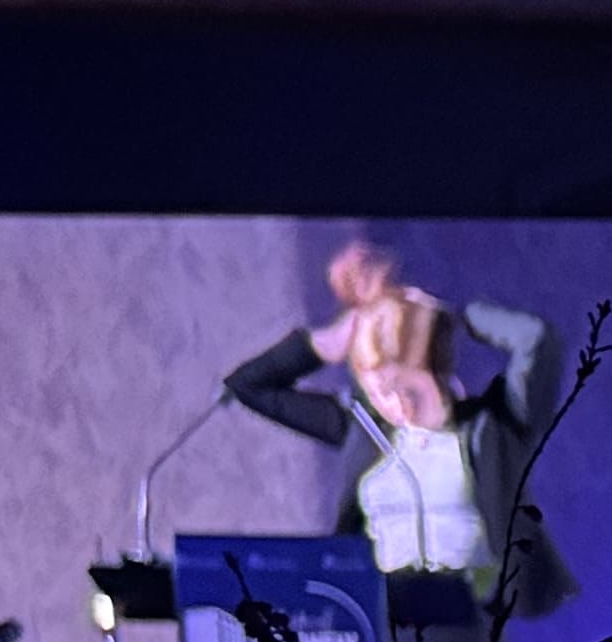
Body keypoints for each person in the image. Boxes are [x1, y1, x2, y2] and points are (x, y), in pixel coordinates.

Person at [218, 234, 569, 612]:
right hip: (381, 621)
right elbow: (249, 387)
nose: (399, 405)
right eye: (381, 393)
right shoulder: (364, 432)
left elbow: (537, 340)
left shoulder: (492, 428)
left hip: (471, 626)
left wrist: (458, 317)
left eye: (411, 390)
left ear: (437, 373)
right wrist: (322, 345)